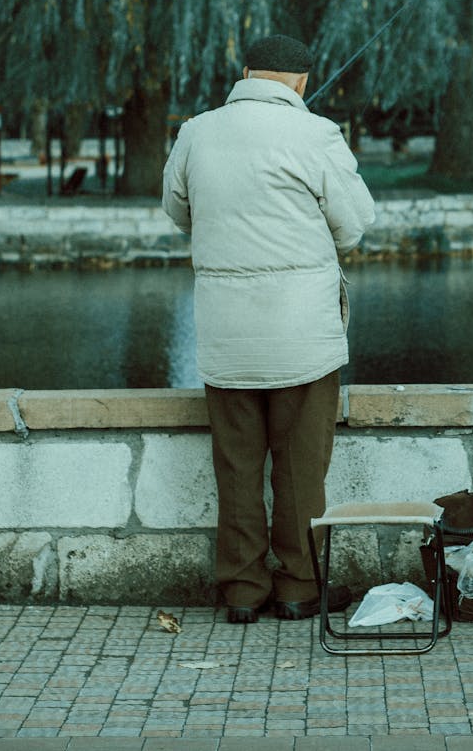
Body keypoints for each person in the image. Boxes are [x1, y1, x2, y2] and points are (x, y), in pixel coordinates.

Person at [162, 34, 375, 624]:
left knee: (236, 466)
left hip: (226, 335)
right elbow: (355, 226)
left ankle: (241, 592)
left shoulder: (196, 132)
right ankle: (300, 587)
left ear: (247, 71)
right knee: (301, 468)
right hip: (302, 335)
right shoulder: (318, 135)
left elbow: (177, 211)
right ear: (302, 82)